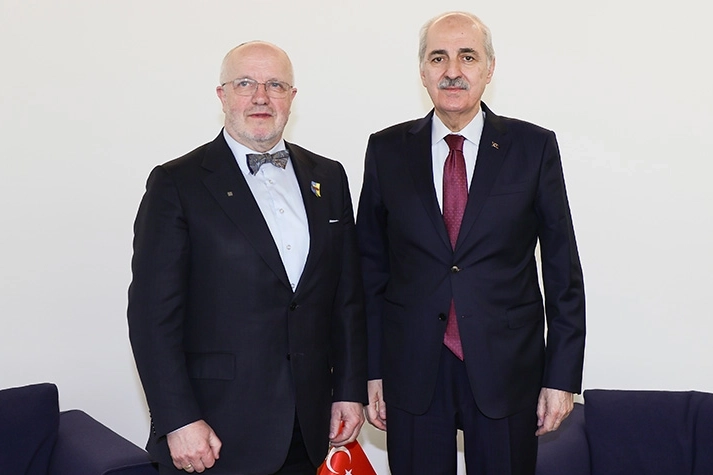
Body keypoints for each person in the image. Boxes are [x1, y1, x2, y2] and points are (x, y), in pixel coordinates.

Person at [356, 11, 586, 475]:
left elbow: (563, 270)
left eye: (467, 56)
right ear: (422, 71)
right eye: (438, 57)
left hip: (508, 370)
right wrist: (371, 368)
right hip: (412, 371)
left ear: (489, 68)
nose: (452, 71)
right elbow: (369, 269)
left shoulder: (533, 147)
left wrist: (561, 378)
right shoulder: (386, 150)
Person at [127, 41, 367, 475]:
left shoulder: (329, 177)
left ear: (292, 97)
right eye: (245, 84)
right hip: (213, 432)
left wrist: (348, 390)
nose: (261, 97)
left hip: (310, 427)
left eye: (275, 85)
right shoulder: (176, 183)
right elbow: (151, 317)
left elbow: (346, 298)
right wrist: (178, 420)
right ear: (221, 95)